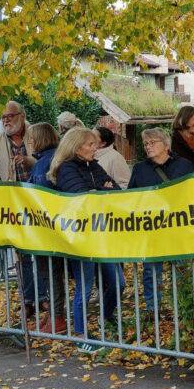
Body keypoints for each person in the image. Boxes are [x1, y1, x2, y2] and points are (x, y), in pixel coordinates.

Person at [48, 128, 124, 352]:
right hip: (80, 238)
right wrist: (102, 189)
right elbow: (82, 197)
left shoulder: (94, 165)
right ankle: (81, 335)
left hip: (101, 235)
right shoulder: (66, 169)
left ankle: (104, 317)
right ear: (76, 146)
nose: (95, 148)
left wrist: (99, 189)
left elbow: (116, 190)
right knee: (85, 287)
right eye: (90, 144)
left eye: (95, 144)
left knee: (118, 282)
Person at [130, 128, 193, 315]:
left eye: (152, 142)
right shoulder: (140, 169)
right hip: (152, 230)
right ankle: (153, 309)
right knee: (150, 272)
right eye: (146, 144)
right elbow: (131, 197)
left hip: (178, 228)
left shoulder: (184, 165)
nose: (148, 147)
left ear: (166, 145)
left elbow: (193, 194)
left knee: (182, 269)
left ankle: (184, 307)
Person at [0, 101, 37, 314]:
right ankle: (28, 299)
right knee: (22, 254)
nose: (6, 120)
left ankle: (46, 297)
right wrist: (3, 195)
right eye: (3, 117)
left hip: (40, 204)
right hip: (15, 207)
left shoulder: (36, 134)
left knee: (44, 254)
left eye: (10, 116)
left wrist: (29, 162)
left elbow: (53, 161)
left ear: (22, 115)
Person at [26, 122, 66, 332]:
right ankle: (53, 315)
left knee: (50, 273)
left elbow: (38, 198)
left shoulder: (43, 164)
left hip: (47, 230)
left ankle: (57, 318)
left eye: (31, 139)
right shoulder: (54, 158)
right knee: (54, 273)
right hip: (58, 228)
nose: (29, 143)